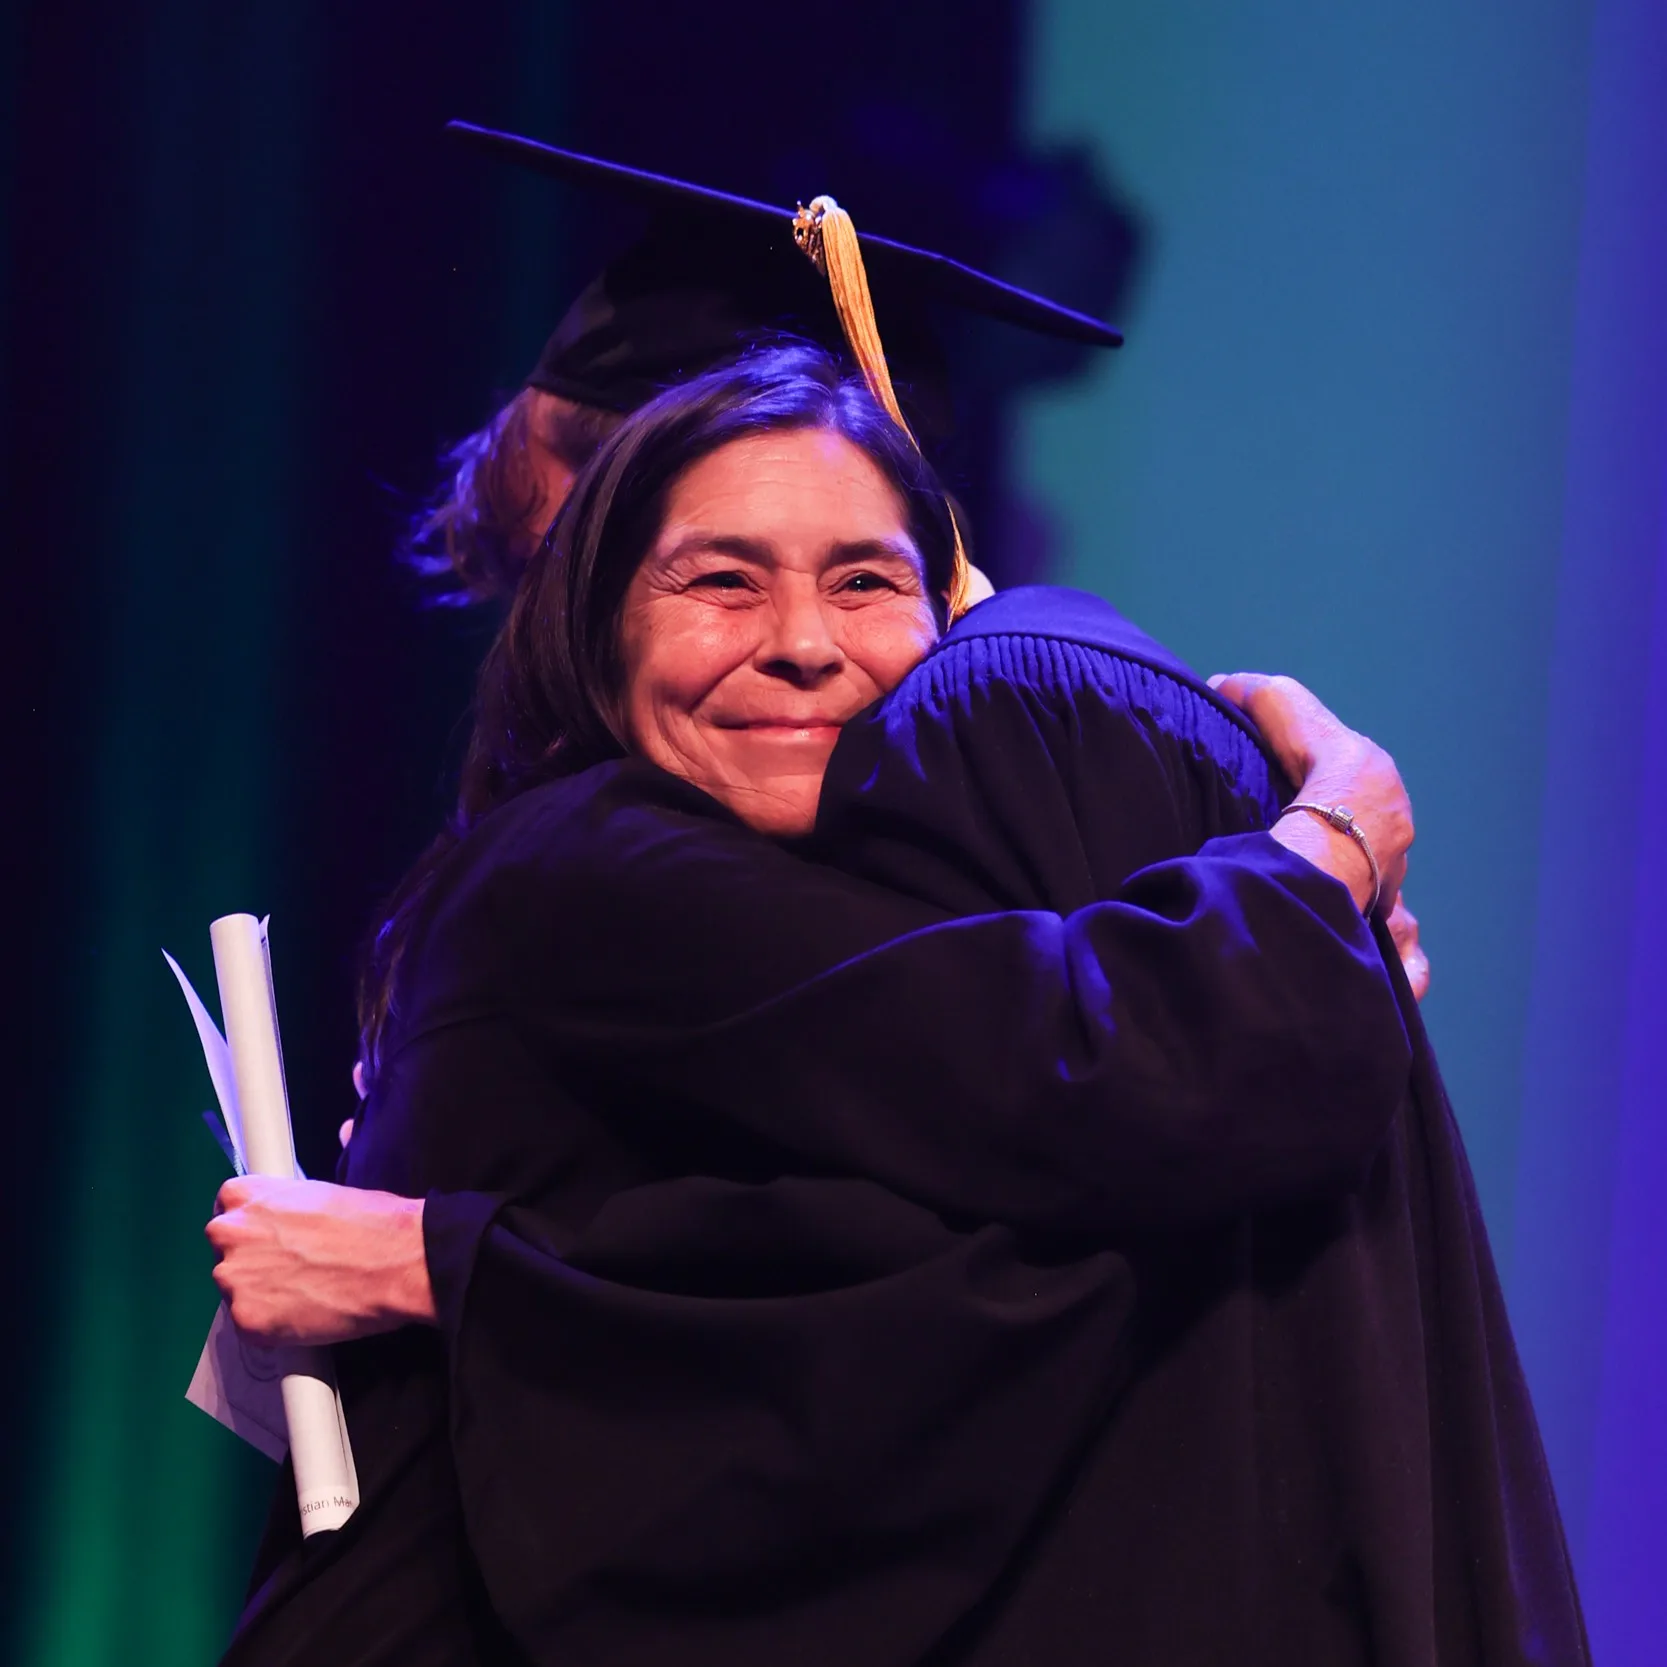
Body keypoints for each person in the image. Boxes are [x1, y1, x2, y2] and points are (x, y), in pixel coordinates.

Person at [204, 344, 1464, 1665]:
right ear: (599, 620)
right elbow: (1085, 1058)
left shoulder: (665, 875)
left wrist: (1307, 962)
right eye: (720, 581)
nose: (803, 646)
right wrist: (1324, 850)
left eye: (864, 581)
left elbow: (847, 1248)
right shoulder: (601, 868)